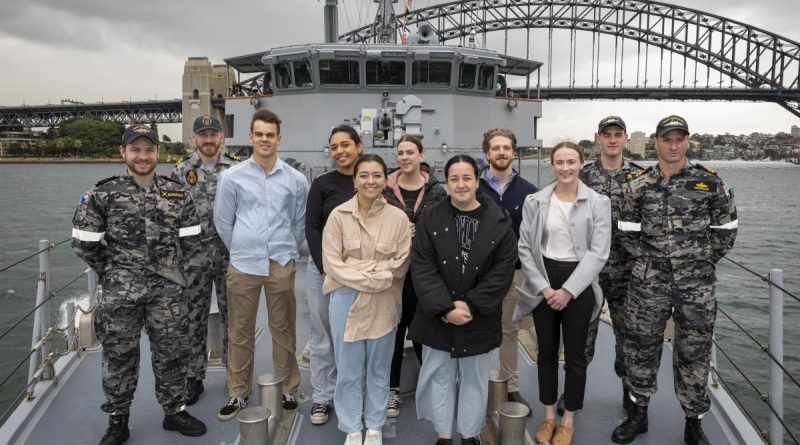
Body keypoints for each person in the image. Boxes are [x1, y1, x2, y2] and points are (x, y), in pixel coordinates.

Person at [72, 123, 207, 444]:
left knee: (173, 353)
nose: (143, 156)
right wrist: (114, 272)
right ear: (123, 152)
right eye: (136, 149)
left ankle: (174, 411)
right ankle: (118, 420)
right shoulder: (102, 194)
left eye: (149, 149)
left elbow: (192, 243)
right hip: (121, 295)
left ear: (157, 152)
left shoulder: (177, 194)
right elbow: (84, 242)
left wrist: (174, 273)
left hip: (168, 294)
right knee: (119, 356)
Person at [612, 116, 738, 445]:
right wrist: (650, 261)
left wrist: (699, 260)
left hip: (695, 285)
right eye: (667, 139)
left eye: (679, 139)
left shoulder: (709, 182)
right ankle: (638, 414)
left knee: (693, 351)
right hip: (647, 283)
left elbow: (726, 231)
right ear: (656, 141)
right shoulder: (636, 185)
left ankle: (693, 422)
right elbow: (626, 232)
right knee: (640, 347)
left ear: (687, 142)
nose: (673, 145)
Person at [410, 155, 518, 445]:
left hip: (478, 316)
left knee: (474, 380)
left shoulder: (498, 221)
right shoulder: (431, 218)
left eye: (467, 178)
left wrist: (470, 304)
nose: (461, 184)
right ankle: (444, 436)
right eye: (454, 178)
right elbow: (422, 266)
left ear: (477, 180)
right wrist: (445, 308)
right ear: (446, 183)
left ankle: (469, 435)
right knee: (440, 379)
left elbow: (503, 269)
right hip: (439, 317)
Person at [213, 109, 309, 420]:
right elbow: (223, 223)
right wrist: (243, 248)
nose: (265, 139)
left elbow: (299, 223)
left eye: (270, 134)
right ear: (251, 137)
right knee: (240, 331)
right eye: (259, 134)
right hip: (243, 264)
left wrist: (285, 249)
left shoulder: (295, 180)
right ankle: (238, 393)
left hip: (280, 261)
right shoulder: (231, 177)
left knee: (283, 329)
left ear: (278, 139)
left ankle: (288, 388)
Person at [514, 141, 611, 445]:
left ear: (582, 163)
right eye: (559, 162)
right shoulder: (536, 201)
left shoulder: (598, 202)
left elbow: (598, 253)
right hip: (544, 278)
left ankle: (568, 419)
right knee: (545, 352)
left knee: (575, 355)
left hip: (578, 281)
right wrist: (544, 288)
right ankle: (548, 417)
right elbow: (526, 249)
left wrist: (568, 290)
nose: (565, 168)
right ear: (552, 164)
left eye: (571, 162)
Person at [553, 116, 642, 415]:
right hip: (587, 272)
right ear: (598, 138)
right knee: (580, 338)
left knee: (629, 339)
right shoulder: (582, 177)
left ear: (626, 138)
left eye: (618, 134)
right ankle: (572, 394)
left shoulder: (642, 179)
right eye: (607, 135)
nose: (613, 140)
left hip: (628, 273)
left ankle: (630, 397)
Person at [322, 154, 412, 445]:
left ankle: (374, 425)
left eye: (377, 175)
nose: (370, 181)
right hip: (345, 300)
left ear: (386, 179)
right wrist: (374, 274)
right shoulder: (338, 216)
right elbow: (332, 263)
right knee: (347, 368)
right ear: (354, 180)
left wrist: (359, 271)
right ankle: (351, 426)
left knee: (378, 367)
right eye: (364, 175)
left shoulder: (398, 219)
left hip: (385, 301)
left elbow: (401, 264)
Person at [170, 114, 239, 405]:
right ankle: (193, 377)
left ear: (221, 137)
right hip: (193, 259)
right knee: (192, 320)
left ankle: (235, 376)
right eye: (203, 135)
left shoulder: (237, 170)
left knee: (232, 318)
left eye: (213, 134)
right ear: (194, 139)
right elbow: (171, 216)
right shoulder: (180, 172)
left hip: (229, 256)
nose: (208, 140)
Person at [383, 135, 447, 418]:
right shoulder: (385, 190)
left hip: (424, 273)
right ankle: (392, 390)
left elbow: (444, 229)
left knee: (422, 331)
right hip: (394, 273)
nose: (405, 157)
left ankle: (432, 385)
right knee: (394, 332)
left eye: (410, 152)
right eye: (400, 153)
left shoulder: (436, 192)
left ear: (422, 155)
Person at [305, 125, 363, 425]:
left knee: (355, 337)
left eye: (345, 145)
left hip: (361, 272)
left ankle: (351, 393)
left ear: (359, 146)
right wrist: (327, 267)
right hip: (325, 271)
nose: (340, 151)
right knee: (324, 335)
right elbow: (312, 227)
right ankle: (322, 397)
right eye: (334, 146)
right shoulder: (322, 184)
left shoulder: (368, 180)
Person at [477, 128, 538, 409]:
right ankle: (474, 386)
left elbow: (534, 235)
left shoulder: (529, 192)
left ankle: (511, 387)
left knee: (509, 331)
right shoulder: (473, 188)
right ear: (487, 153)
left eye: (506, 147)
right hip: (477, 274)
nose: (501, 152)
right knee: (473, 330)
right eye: (495, 148)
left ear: (513, 152)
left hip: (514, 272)